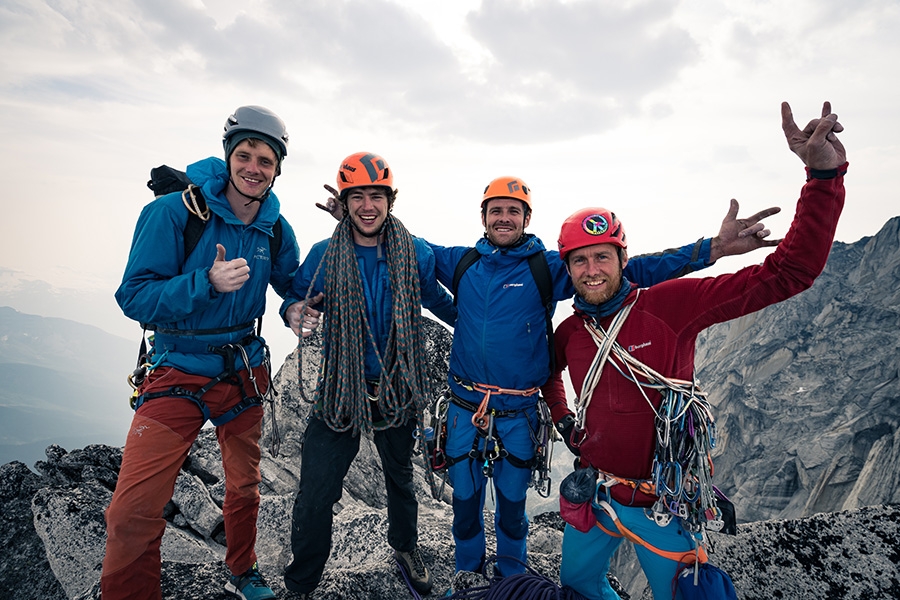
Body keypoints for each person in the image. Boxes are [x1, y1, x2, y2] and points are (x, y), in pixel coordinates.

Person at [541, 101, 846, 599]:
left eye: (603, 257)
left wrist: (822, 178)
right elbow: (550, 375)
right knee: (576, 585)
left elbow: (791, 273)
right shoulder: (571, 332)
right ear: (568, 270)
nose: (592, 269)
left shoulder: (670, 306)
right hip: (596, 494)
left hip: (661, 500)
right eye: (580, 261)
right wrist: (563, 421)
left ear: (623, 259)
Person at [425, 175, 781, 578]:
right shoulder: (461, 261)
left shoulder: (548, 268)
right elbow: (408, 251)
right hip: (464, 406)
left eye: (513, 211)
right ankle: (466, 575)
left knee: (511, 507)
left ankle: (512, 580)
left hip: (518, 410)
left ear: (526, 218)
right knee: (465, 504)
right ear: (483, 217)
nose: (504, 218)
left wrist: (710, 250)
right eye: (496, 211)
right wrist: (359, 217)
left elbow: (630, 269)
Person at [103, 105, 309, 600]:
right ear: (228, 156)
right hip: (177, 370)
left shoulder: (276, 228)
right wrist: (205, 283)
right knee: (132, 510)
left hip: (241, 372)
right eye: (245, 155)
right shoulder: (173, 213)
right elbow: (133, 296)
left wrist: (293, 312)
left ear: (278, 168)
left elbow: (289, 286)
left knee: (243, 487)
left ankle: (243, 570)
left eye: (266, 159)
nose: (254, 168)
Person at [281, 152, 456, 599]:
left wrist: (483, 334)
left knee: (400, 477)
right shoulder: (326, 254)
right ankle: (301, 585)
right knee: (316, 493)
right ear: (345, 201)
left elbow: (439, 300)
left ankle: (405, 546)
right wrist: (293, 311)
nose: (366, 205)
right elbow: (298, 298)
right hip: (341, 390)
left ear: (389, 200)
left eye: (375, 195)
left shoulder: (413, 254)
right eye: (356, 196)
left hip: (395, 389)